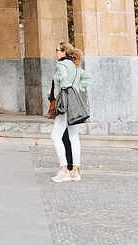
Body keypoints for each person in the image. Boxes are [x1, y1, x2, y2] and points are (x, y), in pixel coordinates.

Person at [48, 42, 91, 182]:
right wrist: (77, 87)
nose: (56, 52)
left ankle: (64, 169)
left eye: (57, 50)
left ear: (64, 52)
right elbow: (89, 79)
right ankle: (75, 171)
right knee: (74, 137)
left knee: (55, 136)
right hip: (74, 103)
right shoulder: (76, 67)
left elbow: (64, 81)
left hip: (64, 103)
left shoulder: (61, 64)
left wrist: (64, 85)